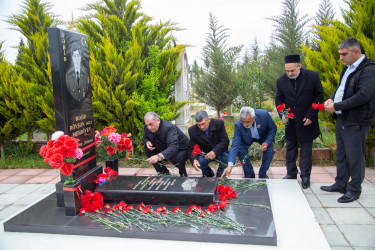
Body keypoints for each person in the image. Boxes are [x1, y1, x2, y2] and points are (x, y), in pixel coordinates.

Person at [321, 38, 375, 203]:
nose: (341, 58)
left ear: (356, 52)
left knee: (355, 156)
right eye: (339, 54)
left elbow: (363, 96)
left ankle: (354, 189)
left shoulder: (369, 70)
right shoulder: (348, 69)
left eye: (344, 54)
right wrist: (331, 100)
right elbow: (340, 89)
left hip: (357, 120)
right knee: (342, 154)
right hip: (343, 118)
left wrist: (337, 105)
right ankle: (340, 183)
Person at [275, 54, 324, 189]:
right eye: (287, 71)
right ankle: (291, 173)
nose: (289, 73)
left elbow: (319, 96)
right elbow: (279, 99)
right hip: (291, 122)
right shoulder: (281, 80)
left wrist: (311, 115)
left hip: (307, 120)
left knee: (306, 149)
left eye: (292, 71)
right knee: (290, 149)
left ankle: (305, 176)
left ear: (299, 66)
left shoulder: (313, 76)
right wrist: (283, 114)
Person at [221, 107, 277, 180]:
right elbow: (235, 144)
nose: (245, 124)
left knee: (270, 151)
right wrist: (230, 166)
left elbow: (273, 128)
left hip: (263, 136)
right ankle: (249, 174)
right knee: (240, 150)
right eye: (242, 121)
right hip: (247, 138)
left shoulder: (264, 115)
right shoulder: (238, 125)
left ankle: (262, 173)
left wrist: (267, 142)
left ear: (254, 118)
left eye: (247, 122)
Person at [143, 112, 189, 177]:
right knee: (148, 150)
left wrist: (158, 156)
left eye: (151, 124)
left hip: (181, 149)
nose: (149, 127)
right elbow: (145, 137)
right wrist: (147, 142)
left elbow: (173, 147)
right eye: (147, 125)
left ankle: (183, 174)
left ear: (158, 120)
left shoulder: (169, 128)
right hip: (164, 146)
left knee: (177, 158)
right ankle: (163, 172)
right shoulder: (147, 127)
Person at [188, 111, 229, 178]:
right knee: (199, 161)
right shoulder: (192, 130)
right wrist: (194, 159)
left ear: (209, 120)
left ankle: (220, 174)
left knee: (226, 158)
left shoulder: (219, 123)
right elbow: (192, 147)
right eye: (198, 125)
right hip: (205, 153)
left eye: (203, 124)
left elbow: (225, 141)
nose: (201, 127)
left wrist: (215, 152)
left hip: (219, 151)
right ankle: (208, 174)